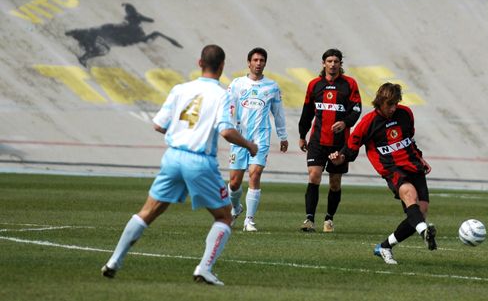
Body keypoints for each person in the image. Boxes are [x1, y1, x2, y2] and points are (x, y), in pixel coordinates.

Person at [101, 45, 258, 286]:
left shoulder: (180, 89)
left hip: (173, 156)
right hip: (199, 161)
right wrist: (248, 145)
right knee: (224, 216)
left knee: (148, 211)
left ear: (199, 62)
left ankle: (114, 261)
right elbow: (226, 131)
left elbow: (158, 125)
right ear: (222, 66)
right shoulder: (222, 94)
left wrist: (181, 130)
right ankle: (204, 268)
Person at [329, 82, 437, 265]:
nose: (393, 108)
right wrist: (339, 158)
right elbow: (350, 149)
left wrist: (420, 157)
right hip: (391, 169)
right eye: (390, 105)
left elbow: (409, 140)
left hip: (413, 166)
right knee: (409, 194)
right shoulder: (368, 123)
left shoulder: (406, 114)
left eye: (396, 104)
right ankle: (424, 232)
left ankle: (385, 246)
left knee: (420, 213)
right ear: (380, 102)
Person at [298, 48, 361, 233]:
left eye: (336, 61)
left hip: (340, 143)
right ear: (323, 63)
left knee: (335, 182)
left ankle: (329, 218)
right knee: (313, 175)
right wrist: (302, 135)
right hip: (317, 140)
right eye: (329, 61)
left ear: (341, 64)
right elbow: (307, 112)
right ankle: (309, 219)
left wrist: (345, 122)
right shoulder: (314, 85)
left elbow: (356, 109)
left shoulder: (349, 84)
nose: (333, 64)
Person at [227, 47, 288, 232]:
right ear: (249, 62)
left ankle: (249, 221)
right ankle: (236, 208)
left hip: (261, 137)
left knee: (255, 174)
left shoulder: (272, 86)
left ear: (265, 63)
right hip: (239, 138)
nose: (258, 63)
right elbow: (228, 108)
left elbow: (278, 113)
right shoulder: (237, 84)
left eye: (262, 60)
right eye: (255, 60)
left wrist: (283, 135)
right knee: (234, 182)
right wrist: (227, 127)